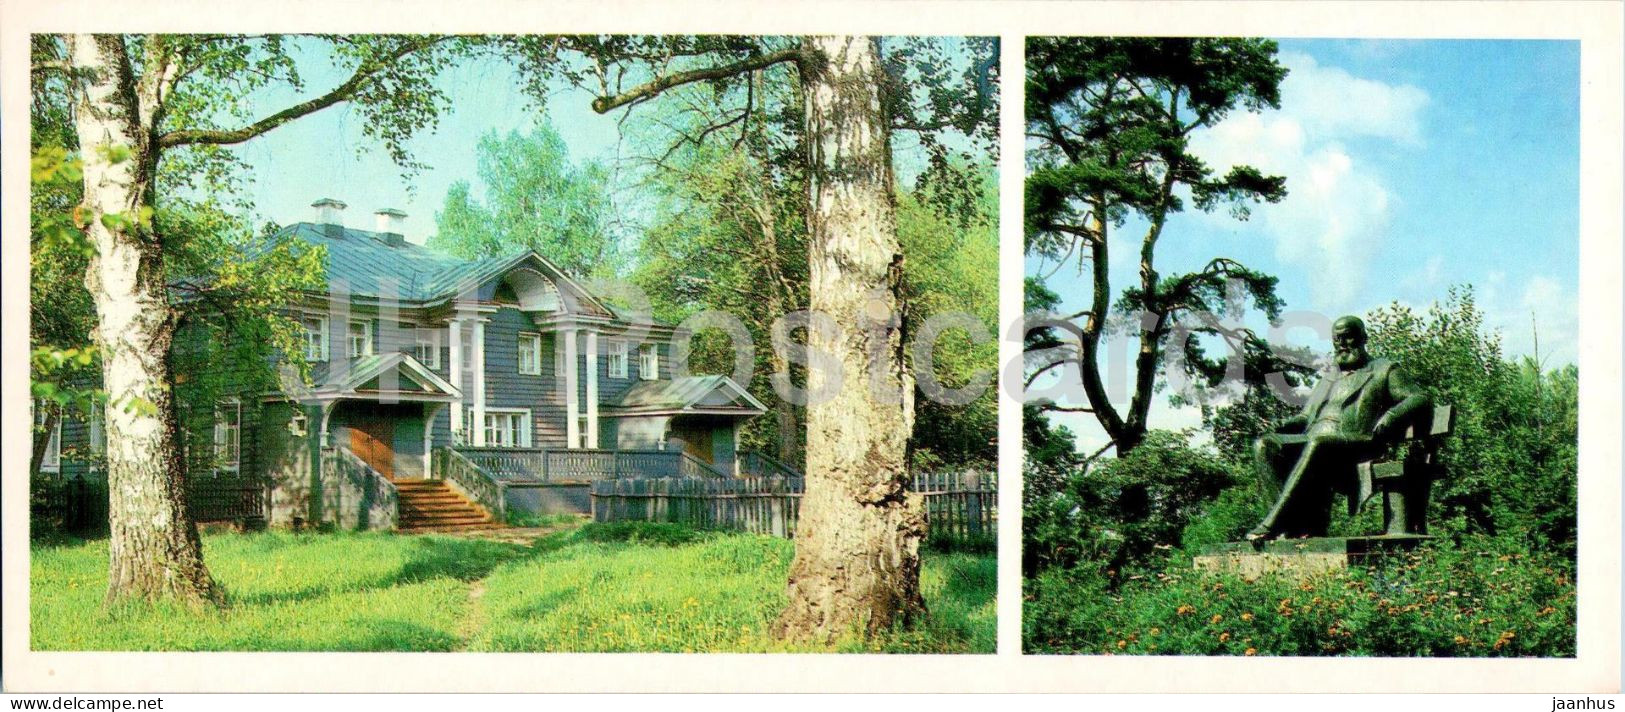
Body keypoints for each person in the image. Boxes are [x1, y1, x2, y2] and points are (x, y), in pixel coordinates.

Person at [1247, 315, 1428, 540]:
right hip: (1317, 443)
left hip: (1356, 443)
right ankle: (1290, 528)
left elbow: (1420, 397)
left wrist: (1391, 416)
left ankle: (1272, 522)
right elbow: (1305, 417)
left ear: (1363, 337)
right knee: (1264, 445)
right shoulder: (1329, 378)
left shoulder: (1384, 369)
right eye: (1337, 339)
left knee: (1319, 442)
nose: (1342, 344)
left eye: (1348, 337)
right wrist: (1281, 425)